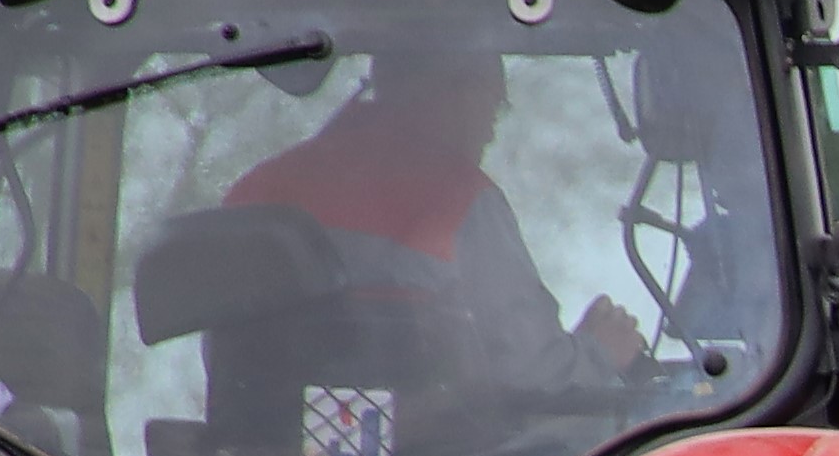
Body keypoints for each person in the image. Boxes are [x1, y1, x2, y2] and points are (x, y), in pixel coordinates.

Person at [226, 30, 651, 388]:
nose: (490, 131)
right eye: (495, 106)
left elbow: (235, 370)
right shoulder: (457, 197)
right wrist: (599, 354)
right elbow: (526, 373)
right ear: (457, 91)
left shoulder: (258, 188)